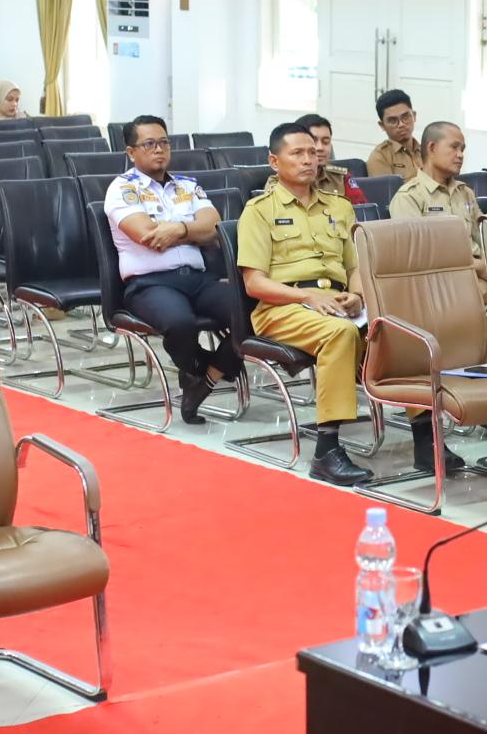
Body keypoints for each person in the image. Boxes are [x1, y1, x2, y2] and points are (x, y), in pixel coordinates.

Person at [236, 126, 372, 486]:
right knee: (340, 333)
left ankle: (424, 436)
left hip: (336, 302)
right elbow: (254, 283)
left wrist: (357, 295)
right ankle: (327, 451)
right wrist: (309, 297)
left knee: (396, 329)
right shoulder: (259, 211)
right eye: (297, 153)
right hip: (282, 308)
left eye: (312, 152)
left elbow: (355, 267)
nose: (309, 160)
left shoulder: (339, 207)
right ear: (274, 161)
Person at [106, 117, 240, 425]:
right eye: (149, 144)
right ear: (131, 152)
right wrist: (193, 230)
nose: (159, 149)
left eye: (164, 142)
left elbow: (214, 228)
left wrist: (177, 229)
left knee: (253, 312)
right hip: (150, 283)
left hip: (198, 279)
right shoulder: (122, 189)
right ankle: (197, 368)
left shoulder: (187, 186)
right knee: (180, 323)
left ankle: (206, 377)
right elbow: (148, 236)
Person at [387, 121, 478, 227]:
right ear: (432, 148)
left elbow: (482, 235)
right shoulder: (408, 197)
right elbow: (413, 238)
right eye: (454, 147)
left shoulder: (466, 193)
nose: (461, 155)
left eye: (462, 149)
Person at [366, 89, 422, 179]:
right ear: (382, 125)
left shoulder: (427, 151)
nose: (401, 124)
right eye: (393, 121)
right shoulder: (380, 157)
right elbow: (386, 188)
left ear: (414, 116)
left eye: (405, 117)